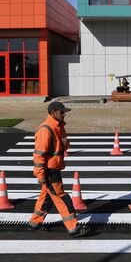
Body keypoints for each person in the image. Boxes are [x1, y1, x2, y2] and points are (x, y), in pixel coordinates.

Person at [27, 102, 90, 238]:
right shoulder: (46, 129)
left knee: (47, 197)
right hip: (49, 171)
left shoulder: (58, 127)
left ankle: (35, 222)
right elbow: (39, 155)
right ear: (54, 112)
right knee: (62, 198)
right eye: (62, 112)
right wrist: (40, 175)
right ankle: (73, 227)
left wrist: (64, 140)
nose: (64, 114)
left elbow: (64, 147)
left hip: (54, 167)